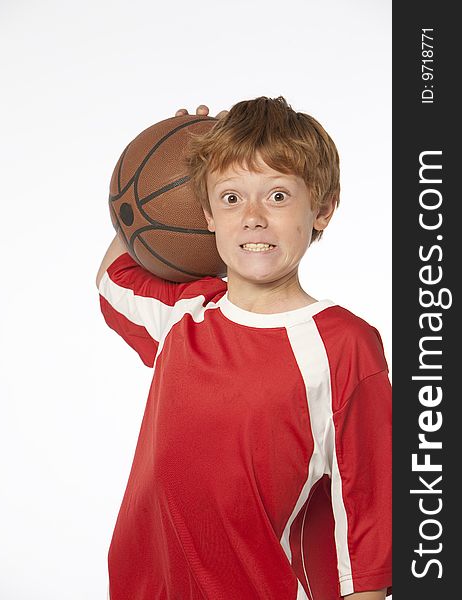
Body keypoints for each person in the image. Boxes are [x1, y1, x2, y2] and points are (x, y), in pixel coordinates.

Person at [96, 97, 392, 600]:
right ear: (206, 213)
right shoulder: (185, 315)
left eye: (278, 196)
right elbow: (113, 276)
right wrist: (167, 160)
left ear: (321, 209)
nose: (252, 217)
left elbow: (366, 533)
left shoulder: (343, 345)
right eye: (231, 198)